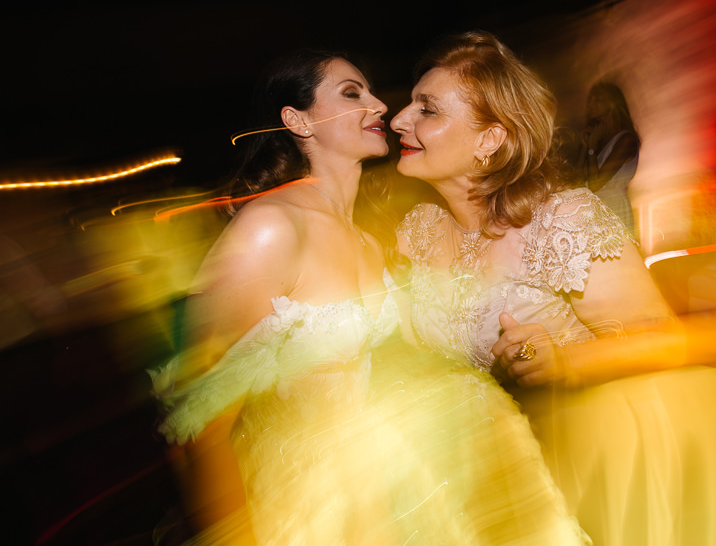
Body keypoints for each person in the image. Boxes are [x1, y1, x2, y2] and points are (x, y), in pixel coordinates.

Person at [150, 49, 589, 545]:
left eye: (371, 90)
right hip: (306, 505)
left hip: (384, 489)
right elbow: (198, 419)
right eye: (352, 93)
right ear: (298, 121)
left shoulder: (369, 239)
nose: (380, 105)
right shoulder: (271, 228)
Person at [392, 31, 716, 546]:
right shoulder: (419, 230)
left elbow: (656, 338)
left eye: (426, 109)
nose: (398, 119)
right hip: (482, 470)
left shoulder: (563, 222)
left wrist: (562, 362)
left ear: (489, 140)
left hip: (588, 463)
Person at [575, 81, 640, 235]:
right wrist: (585, 147)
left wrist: (591, 149)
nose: (590, 104)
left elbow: (596, 184)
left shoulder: (626, 140)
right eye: (590, 99)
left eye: (597, 99)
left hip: (613, 208)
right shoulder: (599, 140)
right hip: (594, 209)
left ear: (612, 103)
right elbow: (577, 182)